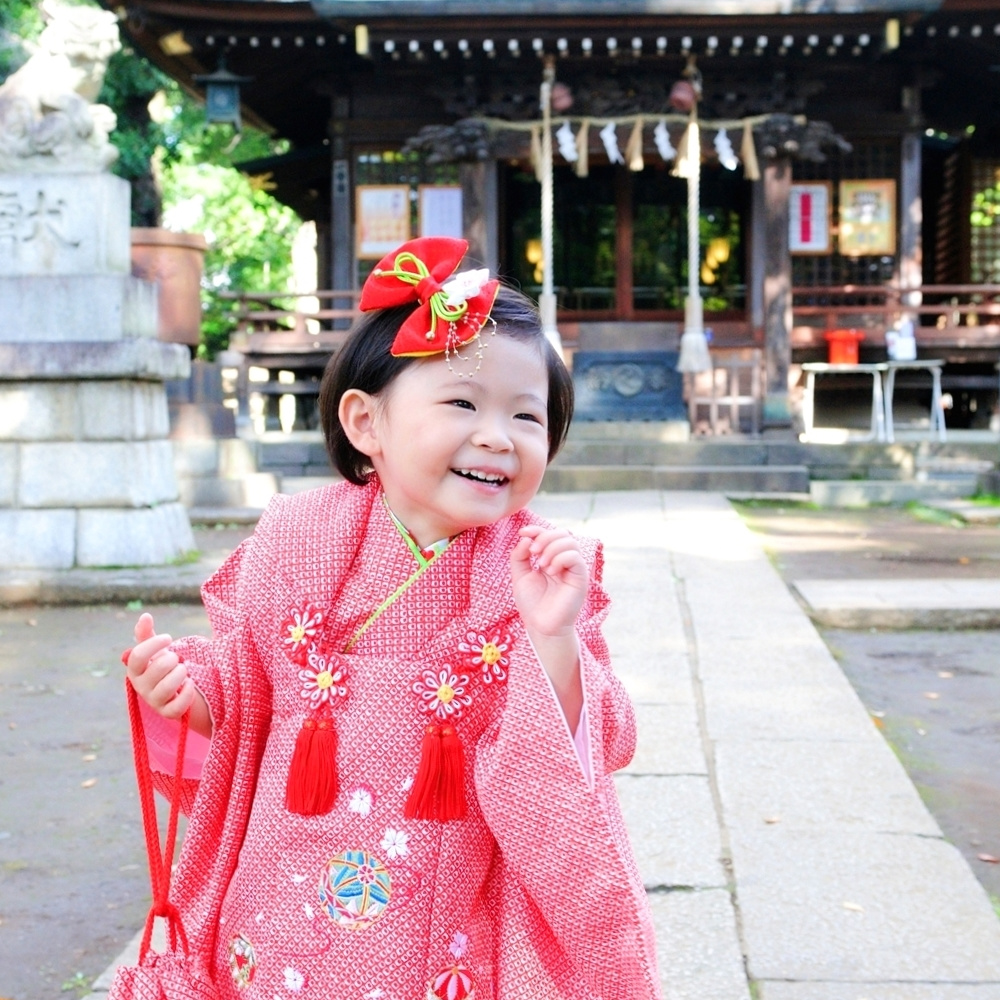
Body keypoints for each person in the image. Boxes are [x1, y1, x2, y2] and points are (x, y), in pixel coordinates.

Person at [122, 237, 662, 1000]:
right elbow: (252, 690)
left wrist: (554, 638)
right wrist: (192, 693)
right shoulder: (295, 539)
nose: (498, 436)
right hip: (283, 901)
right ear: (364, 422)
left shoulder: (541, 569)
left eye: (528, 416)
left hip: (451, 915)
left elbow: (598, 743)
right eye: (463, 403)